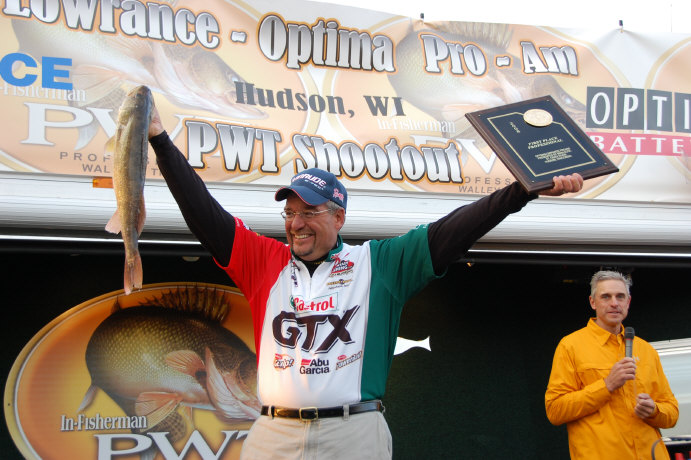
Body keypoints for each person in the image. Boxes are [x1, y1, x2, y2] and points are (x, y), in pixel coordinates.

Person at [147, 104, 583, 460]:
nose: (296, 223)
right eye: (290, 213)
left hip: (353, 431)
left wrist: (521, 191)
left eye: (310, 212)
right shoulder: (264, 261)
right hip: (274, 432)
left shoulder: (377, 263)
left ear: (338, 217)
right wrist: (160, 140)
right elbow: (203, 213)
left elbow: (453, 231)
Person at [545, 270, 679, 460]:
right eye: (606, 296)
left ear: (628, 302)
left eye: (620, 296)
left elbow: (672, 412)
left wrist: (654, 411)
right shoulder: (570, 346)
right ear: (593, 302)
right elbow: (555, 410)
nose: (614, 303)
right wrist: (606, 385)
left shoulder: (646, 350)